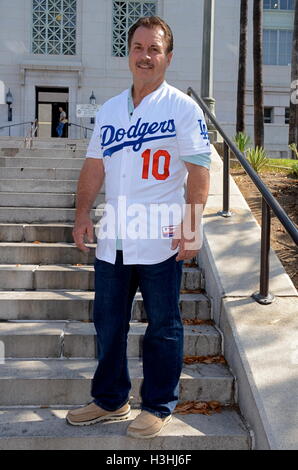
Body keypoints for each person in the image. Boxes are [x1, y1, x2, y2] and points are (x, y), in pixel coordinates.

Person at [67, 16, 211, 439]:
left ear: (167, 56)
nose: (145, 55)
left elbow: (199, 170)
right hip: (114, 239)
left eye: (154, 49)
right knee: (108, 324)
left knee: (164, 327)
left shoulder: (182, 108)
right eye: (138, 47)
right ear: (129, 52)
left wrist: (191, 225)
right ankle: (111, 400)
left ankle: (159, 405)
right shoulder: (110, 109)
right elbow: (95, 166)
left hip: (162, 239)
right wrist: (81, 214)